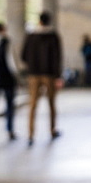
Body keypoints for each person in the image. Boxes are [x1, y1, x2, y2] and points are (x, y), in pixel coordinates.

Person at [21, 11, 63, 146]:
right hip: (49, 75)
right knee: (51, 103)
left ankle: (30, 134)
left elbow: (23, 55)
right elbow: (57, 57)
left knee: (32, 104)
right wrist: (57, 76)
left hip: (33, 74)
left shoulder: (31, 36)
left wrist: (31, 65)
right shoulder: (53, 36)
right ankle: (52, 129)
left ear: (39, 21)